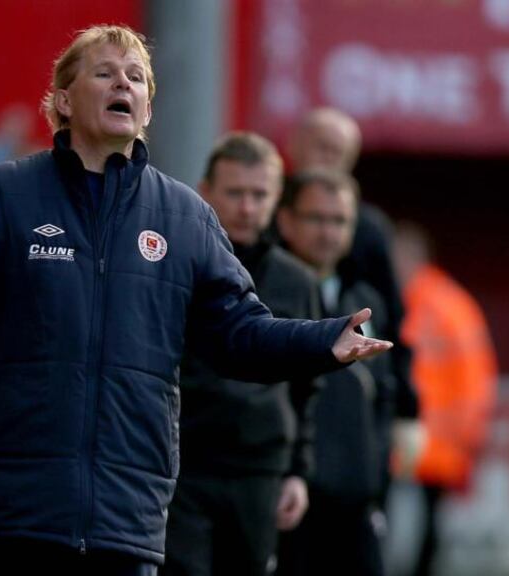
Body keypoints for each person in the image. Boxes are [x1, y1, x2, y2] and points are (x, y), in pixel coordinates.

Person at [0, 25, 391, 576]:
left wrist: (323, 339)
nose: (124, 83)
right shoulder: (0, 195)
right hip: (13, 516)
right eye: (105, 72)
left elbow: (239, 333)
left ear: (146, 109)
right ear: (64, 101)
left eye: (137, 77)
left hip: (126, 519)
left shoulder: (186, 217)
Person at [161, 132, 321, 576]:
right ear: (205, 192)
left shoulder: (297, 283)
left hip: (259, 470)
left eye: (259, 194)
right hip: (183, 467)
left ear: (276, 200)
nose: (247, 207)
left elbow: (307, 388)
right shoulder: (175, 269)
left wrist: (297, 473)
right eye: (235, 193)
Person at [275, 169, 396, 576]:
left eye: (339, 221)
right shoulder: (260, 295)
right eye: (316, 218)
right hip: (290, 497)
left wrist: (376, 474)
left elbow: (384, 397)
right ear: (286, 220)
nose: (328, 232)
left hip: (355, 499)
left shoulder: (366, 301)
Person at [286, 108, 419, 425]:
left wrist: (406, 409)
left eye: (339, 153)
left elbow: (392, 320)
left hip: (347, 397)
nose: (328, 159)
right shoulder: (263, 210)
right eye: (322, 146)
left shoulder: (369, 231)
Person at [393, 222, 497, 576]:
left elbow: (474, 374)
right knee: (386, 520)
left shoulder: (448, 305)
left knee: (428, 525)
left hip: (438, 440)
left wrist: (468, 430)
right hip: (395, 438)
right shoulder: (387, 300)